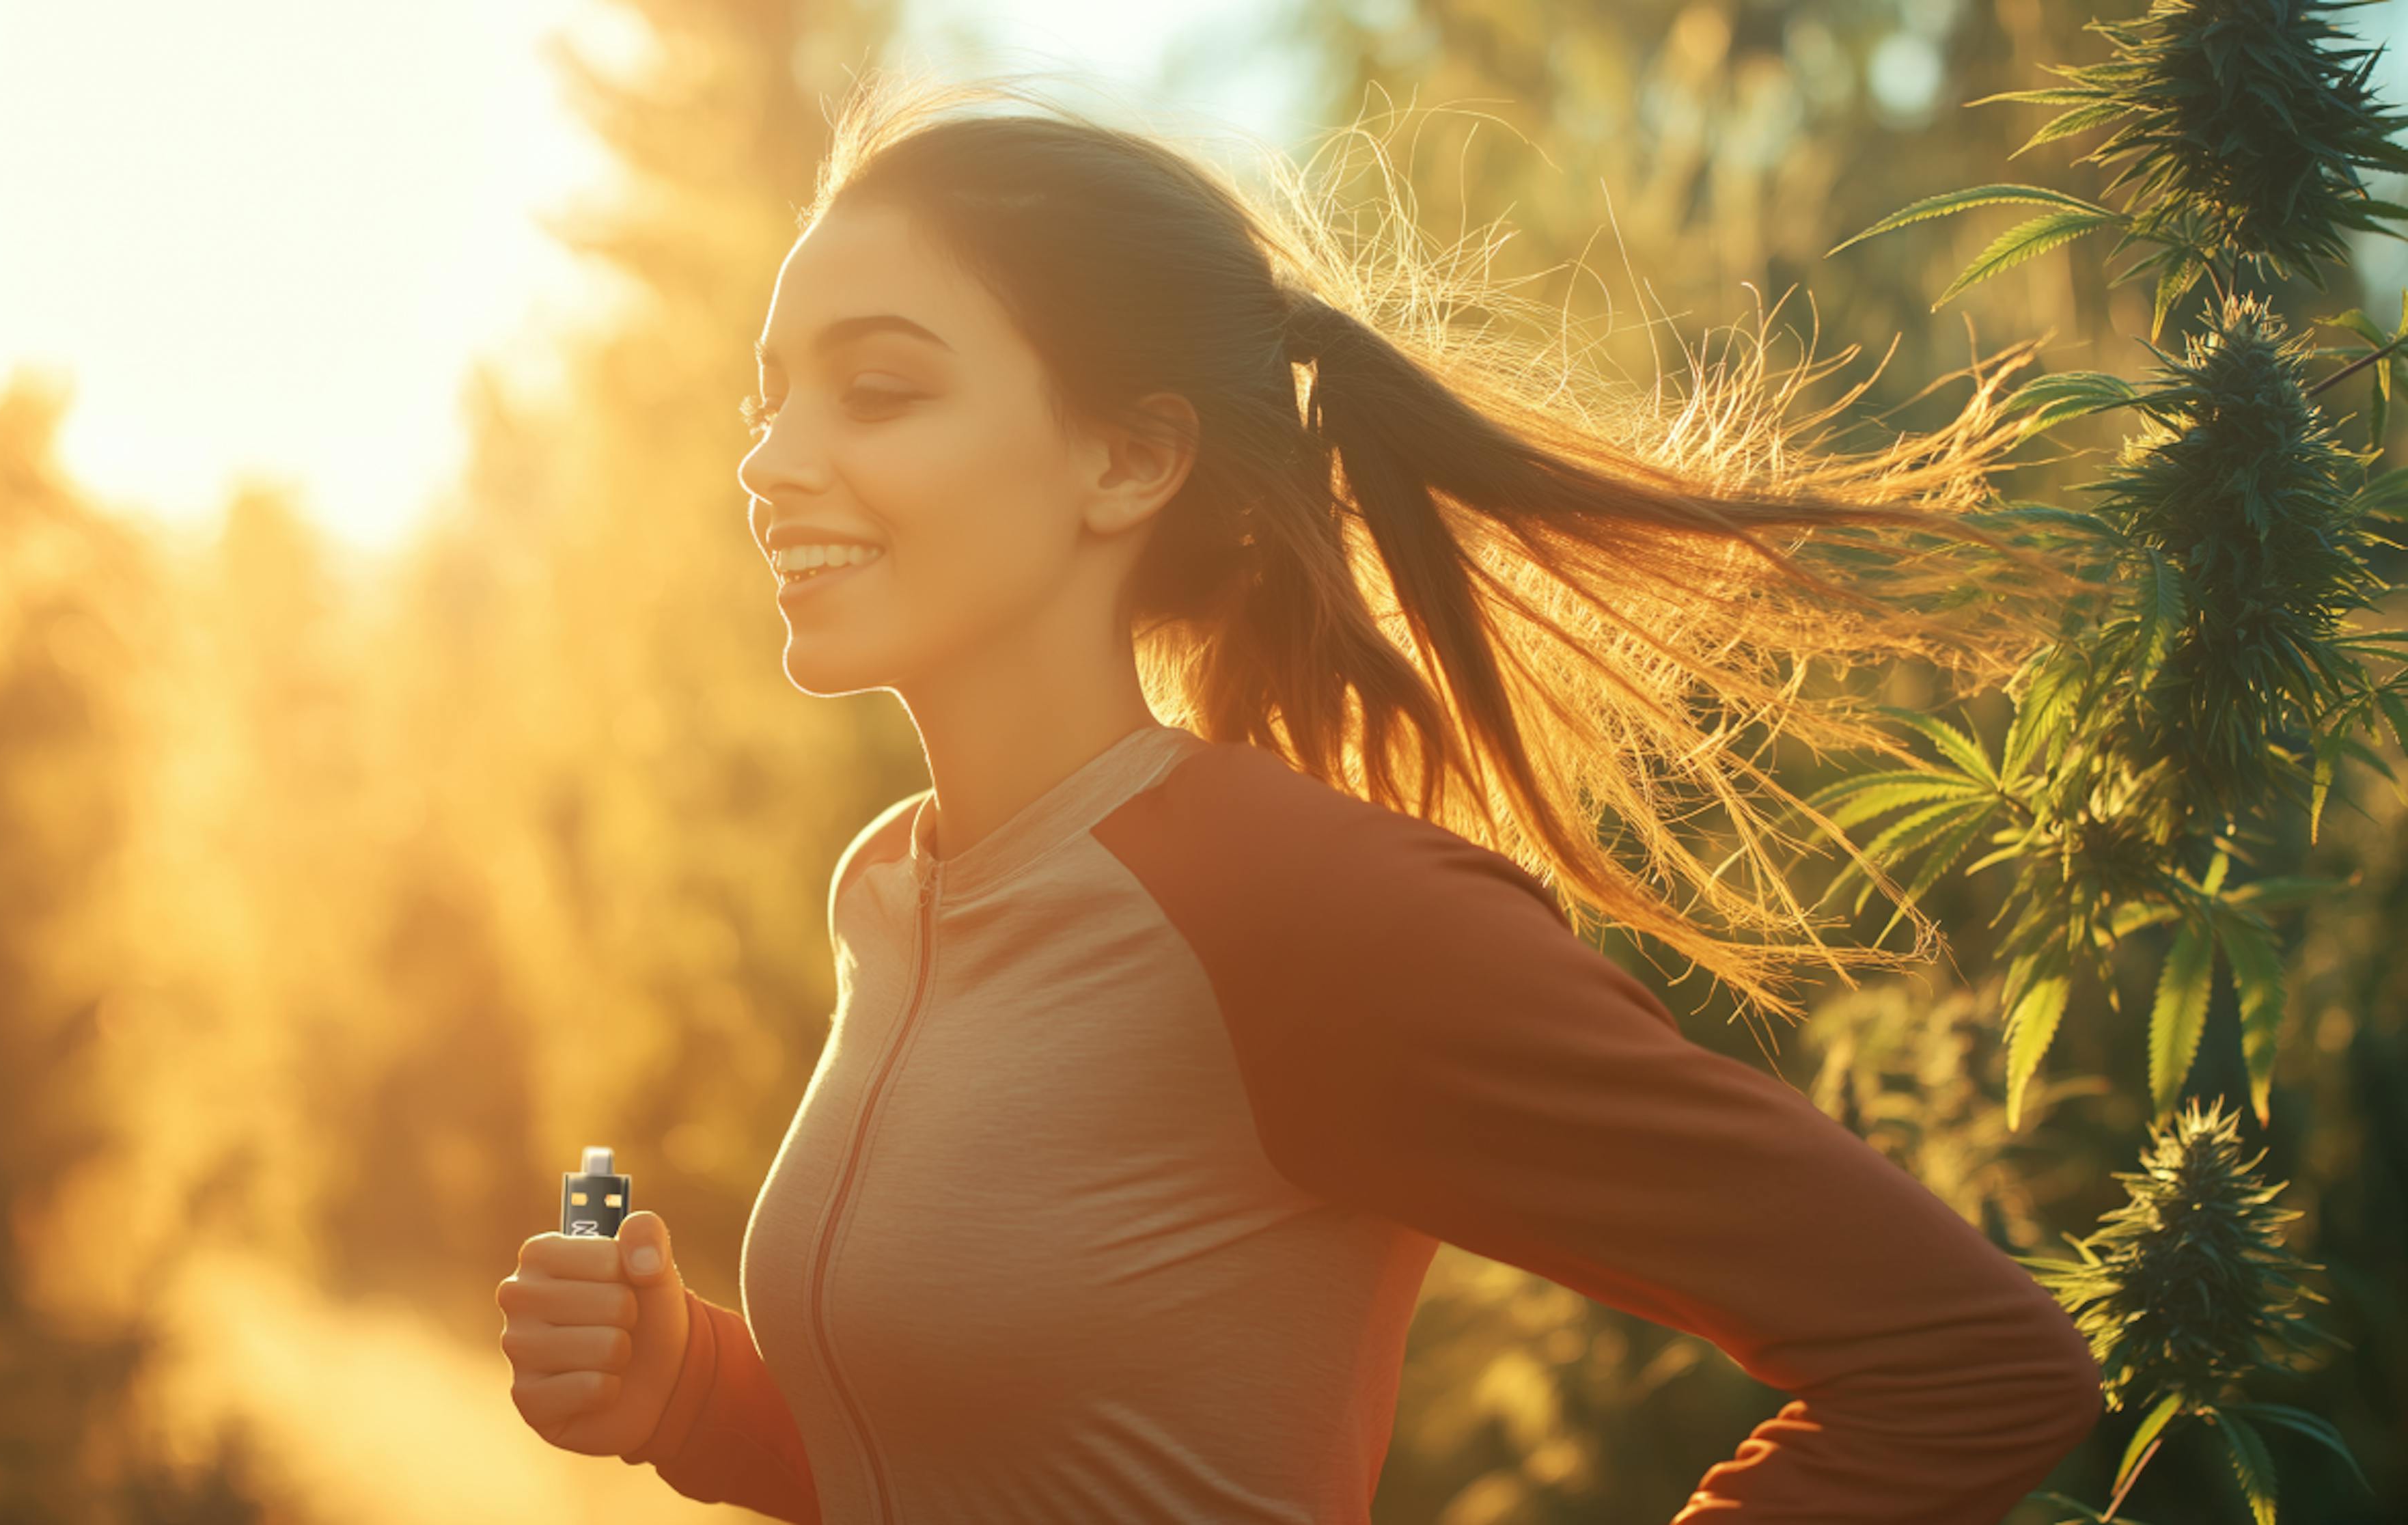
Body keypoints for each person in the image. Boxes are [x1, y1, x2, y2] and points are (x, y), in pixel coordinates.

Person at [497, 67, 2107, 1525]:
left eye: (881, 390)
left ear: (1128, 463)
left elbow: (1967, 1363)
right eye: (767, 395)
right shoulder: (888, 890)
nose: (771, 460)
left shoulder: (1299, 908)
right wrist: (688, 1393)